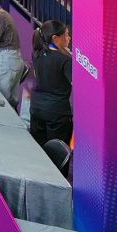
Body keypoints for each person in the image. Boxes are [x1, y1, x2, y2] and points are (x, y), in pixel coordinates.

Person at [27, 20, 73, 150]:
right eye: (66, 35)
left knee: (38, 150)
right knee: (56, 153)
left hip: (37, 108)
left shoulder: (37, 53)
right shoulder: (65, 60)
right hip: (56, 113)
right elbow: (75, 82)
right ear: (55, 38)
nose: (69, 38)